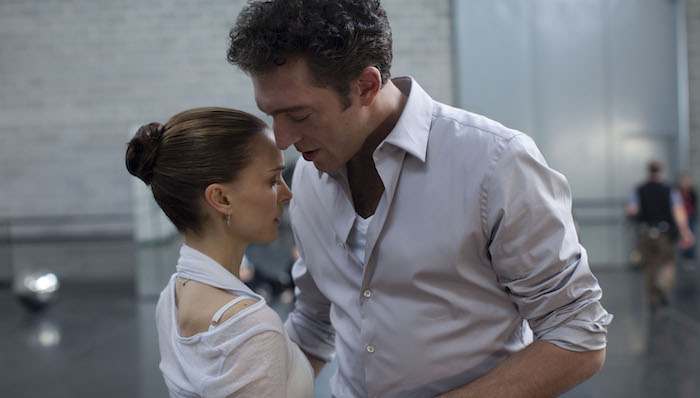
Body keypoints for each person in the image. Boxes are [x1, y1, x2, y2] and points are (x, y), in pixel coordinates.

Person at [228, 1, 612, 397]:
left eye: (299, 116)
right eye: (270, 114)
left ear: (365, 87)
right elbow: (313, 322)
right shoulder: (307, 178)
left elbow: (577, 334)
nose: (282, 139)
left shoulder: (495, 163)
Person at [125, 107, 313, 397]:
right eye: (273, 181)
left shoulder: (171, 299)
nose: (287, 194)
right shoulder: (251, 328)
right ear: (221, 198)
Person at [626, 160, 694, 307]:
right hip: (664, 233)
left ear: (648, 171)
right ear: (661, 172)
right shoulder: (669, 190)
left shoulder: (639, 189)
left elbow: (632, 209)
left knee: (649, 266)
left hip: (645, 233)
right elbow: (678, 211)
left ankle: (653, 298)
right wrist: (685, 231)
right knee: (668, 262)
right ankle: (662, 285)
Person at [678, 173, 697, 260]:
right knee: (682, 235)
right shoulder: (677, 192)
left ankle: (690, 255)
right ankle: (684, 253)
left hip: (690, 216)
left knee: (690, 234)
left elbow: (694, 204)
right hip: (681, 216)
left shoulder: (692, 192)